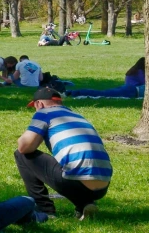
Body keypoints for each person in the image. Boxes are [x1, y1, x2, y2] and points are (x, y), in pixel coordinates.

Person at [15, 86, 112, 219]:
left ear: (39, 104)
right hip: (103, 186)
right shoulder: (77, 116)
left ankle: (44, 209)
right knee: (71, 168)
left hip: (75, 183)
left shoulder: (44, 113)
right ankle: (84, 205)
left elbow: (24, 147)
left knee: (21, 155)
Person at [66, 57, 145, 98]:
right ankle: (75, 92)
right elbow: (144, 82)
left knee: (103, 92)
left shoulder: (134, 70)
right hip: (132, 91)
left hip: (128, 88)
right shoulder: (140, 72)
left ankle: (74, 92)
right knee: (103, 94)